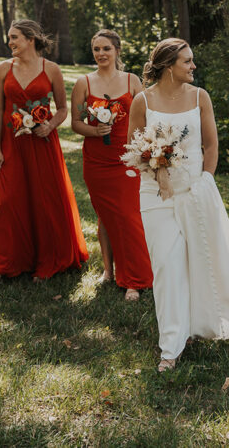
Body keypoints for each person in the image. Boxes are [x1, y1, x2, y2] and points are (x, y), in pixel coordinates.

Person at [125, 38, 229, 372]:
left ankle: (194, 327)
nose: (193, 66)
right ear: (169, 64)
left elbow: (211, 146)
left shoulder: (201, 97)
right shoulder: (142, 100)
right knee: (167, 265)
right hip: (155, 194)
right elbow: (134, 147)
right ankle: (170, 346)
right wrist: (153, 163)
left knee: (198, 261)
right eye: (187, 61)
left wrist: (205, 181)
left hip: (195, 191)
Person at [0, 20, 88, 284]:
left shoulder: (51, 70)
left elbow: (62, 108)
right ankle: (0, 265)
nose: (11, 43)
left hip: (42, 144)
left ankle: (47, 262)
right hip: (11, 144)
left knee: (44, 200)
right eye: (9, 38)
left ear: (31, 39)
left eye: (15, 37)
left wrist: (50, 125)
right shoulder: (3, 69)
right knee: (7, 201)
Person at [70, 29, 152, 300]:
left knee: (129, 215)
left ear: (117, 50)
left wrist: (144, 150)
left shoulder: (132, 81)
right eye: (96, 49)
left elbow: (146, 118)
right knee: (105, 215)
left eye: (106, 48)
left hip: (127, 156)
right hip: (96, 159)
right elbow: (76, 123)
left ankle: (134, 279)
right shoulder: (84, 83)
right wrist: (94, 132)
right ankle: (108, 270)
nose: (101, 54)